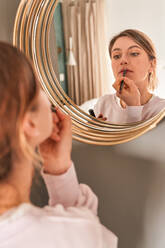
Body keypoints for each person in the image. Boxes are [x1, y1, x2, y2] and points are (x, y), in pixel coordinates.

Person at [0, 42, 117, 247]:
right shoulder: (72, 234)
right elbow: (83, 233)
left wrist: (59, 168)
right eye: (39, 88)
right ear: (29, 122)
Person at [94, 29, 165, 124]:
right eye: (116, 56)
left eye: (134, 53)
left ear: (152, 64)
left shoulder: (161, 111)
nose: (123, 60)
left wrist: (133, 108)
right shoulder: (103, 104)